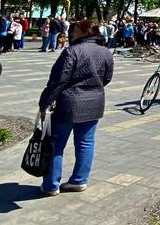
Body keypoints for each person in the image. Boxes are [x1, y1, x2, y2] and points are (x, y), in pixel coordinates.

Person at [38, 19, 114, 195]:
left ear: (87, 32)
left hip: (68, 104)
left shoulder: (71, 51)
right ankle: (79, 181)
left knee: (55, 144)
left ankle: (50, 185)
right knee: (86, 143)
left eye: (75, 30)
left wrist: (45, 103)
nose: (71, 32)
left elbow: (58, 81)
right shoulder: (105, 52)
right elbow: (107, 78)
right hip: (94, 103)